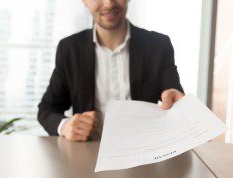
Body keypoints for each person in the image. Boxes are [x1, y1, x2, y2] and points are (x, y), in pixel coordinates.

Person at [38, 0, 185, 141]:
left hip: (144, 153)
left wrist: (176, 102)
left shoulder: (158, 46)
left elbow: (175, 98)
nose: (109, 3)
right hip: (88, 154)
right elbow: (47, 109)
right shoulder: (69, 49)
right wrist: (65, 126)